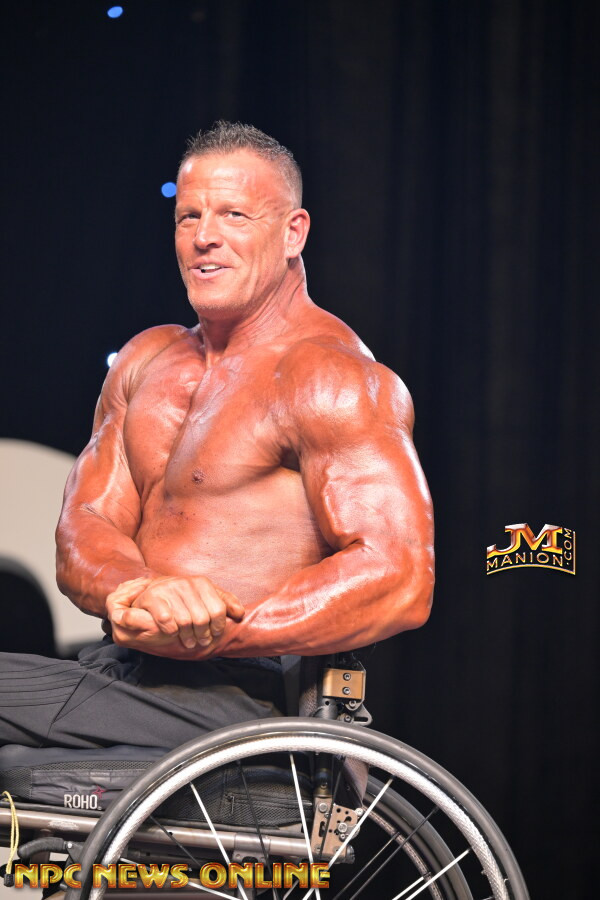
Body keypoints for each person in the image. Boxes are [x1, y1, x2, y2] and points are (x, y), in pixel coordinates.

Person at [0, 122, 434, 751]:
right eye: (189, 216)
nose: (204, 236)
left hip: (242, 697)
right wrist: (138, 590)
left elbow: (399, 575)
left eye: (234, 214)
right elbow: (86, 524)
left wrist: (214, 632)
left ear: (293, 232)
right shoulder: (146, 360)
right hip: (123, 678)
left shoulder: (327, 375)